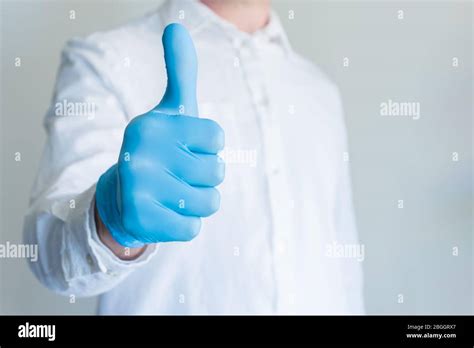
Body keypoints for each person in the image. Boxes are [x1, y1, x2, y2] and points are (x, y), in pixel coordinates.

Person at [24, 0, 364, 314]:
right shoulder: (104, 61)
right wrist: (110, 222)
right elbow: (49, 255)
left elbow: (344, 273)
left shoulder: (321, 92)